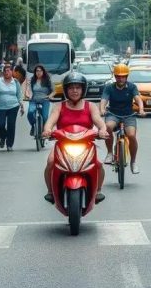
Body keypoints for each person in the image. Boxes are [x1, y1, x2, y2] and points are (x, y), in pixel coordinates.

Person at [42, 72, 109, 204]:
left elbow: (99, 122)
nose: (74, 91)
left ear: (83, 89)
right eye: (71, 88)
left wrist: (102, 130)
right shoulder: (59, 106)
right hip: (62, 145)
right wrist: (47, 130)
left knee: (99, 165)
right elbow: (50, 122)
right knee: (50, 163)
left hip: (86, 145)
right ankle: (50, 191)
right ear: (66, 90)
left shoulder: (90, 106)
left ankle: (98, 191)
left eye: (78, 88)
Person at [99, 64, 146, 173]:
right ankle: (110, 153)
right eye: (118, 76)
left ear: (127, 76)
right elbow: (104, 99)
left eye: (123, 76)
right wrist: (102, 109)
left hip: (129, 115)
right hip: (113, 114)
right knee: (108, 127)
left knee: (131, 135)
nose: (121, 79)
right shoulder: (109, 87)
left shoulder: (132, 87)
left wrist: (141, 109)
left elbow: (138, 99)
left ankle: (133, 162)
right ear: (115, 77)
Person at [0, 63, 23, 151]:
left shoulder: (15, 82)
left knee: (11, 125)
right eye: (5, 71)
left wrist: (21, 105)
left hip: (13, 106)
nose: (6, 72)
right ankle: (3, 136)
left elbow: (19, 95)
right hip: (0, 107)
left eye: (8, 71)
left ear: (12, 72)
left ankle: (9, 144)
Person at [24, 64, 53, 137]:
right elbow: (28, 89)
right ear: (35, 72)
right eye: (37, 71)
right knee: (30, 112)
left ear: (43, 72)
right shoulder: (32, 80)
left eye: (40, 71)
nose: (39, 72)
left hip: (45, 100)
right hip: (34, 100)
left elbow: (54, 91)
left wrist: (49, 96)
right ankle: (33, 126)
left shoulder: (47, 80)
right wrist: (27, 95)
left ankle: (44, 129)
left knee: (45, 116)